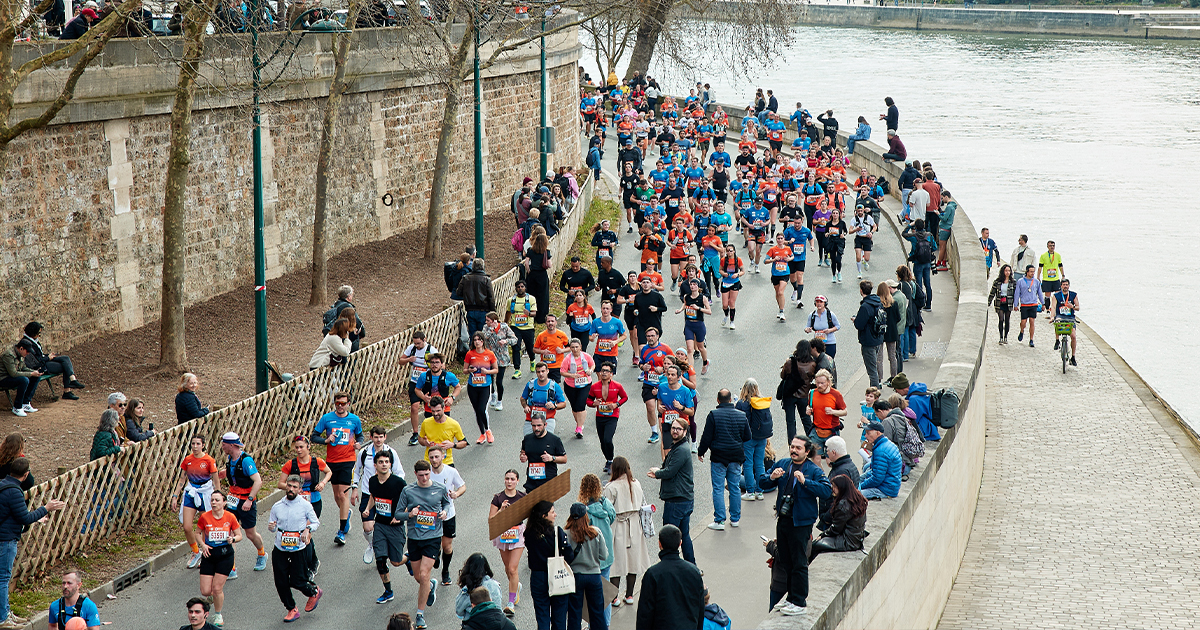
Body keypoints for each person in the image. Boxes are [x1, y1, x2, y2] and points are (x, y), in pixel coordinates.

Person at [758, 436, 832, 617]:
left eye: (798, 448)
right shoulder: (783, 463)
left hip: (801, 522)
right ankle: (790, 598)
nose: (794, 450)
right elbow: (762, 481)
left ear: (807, 452)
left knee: (799, 562)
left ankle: (799, 601)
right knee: (785, 560)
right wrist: (771, 477)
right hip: (784, 519)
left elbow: (826, 491)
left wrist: (806, 482)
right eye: (792, 446)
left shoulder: (812, 470)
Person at [0, 458, 64, 628]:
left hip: (4, 535)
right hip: (6, 540)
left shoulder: (3, 484)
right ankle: (2, 618)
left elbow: (13, 514)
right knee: (3, 579)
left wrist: (37, 517)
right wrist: (46, 508)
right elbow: (24, 517)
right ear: (26, 474)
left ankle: (6, 613)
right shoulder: (14, 491)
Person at [395, 459, 452, 630]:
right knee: (418, 577)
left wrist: (444, 512)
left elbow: (448, 503)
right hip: (414, 537)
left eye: (427, 474)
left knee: (424, 574)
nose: (425, 478)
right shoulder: (408, 490)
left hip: (433, 537)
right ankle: (431, 586)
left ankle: (420, 615)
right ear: (415, 475)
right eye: (421, 475)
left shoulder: (439, 488)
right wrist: (410, 514)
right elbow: (398, 513)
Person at [310, 391, 365, 546]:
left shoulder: (354, 419)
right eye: (337, 403)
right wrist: (326, 440)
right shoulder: (327, 419)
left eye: (343, 403)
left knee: (343, 494)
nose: (340, 406)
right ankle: (346, 513)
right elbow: (314, 436)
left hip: (348, 460)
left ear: (348, 403)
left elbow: (360, 436)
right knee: (336, 496)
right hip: (332, 461)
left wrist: (358, 444)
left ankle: (341, 532)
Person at [268, 475, 322, 623]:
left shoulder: (305, 505)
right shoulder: (277, 506)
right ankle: (291, 609)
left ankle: (314, 591)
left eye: (295, 487)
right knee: (281, 581)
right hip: (280, 548)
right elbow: (272, 525)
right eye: (289, 486)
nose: (291, 489)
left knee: (297, 580)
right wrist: (272, 527)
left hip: (299, 548)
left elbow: (316, 522)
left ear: (299, 489)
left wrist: (307, 529)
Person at [697, 389, 751, 531]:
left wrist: (701, 452)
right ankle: (735, 519)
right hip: (735, 456)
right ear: (730, 400)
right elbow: (747, 436)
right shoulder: (741, 415)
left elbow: (706, 436)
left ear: (718, 399)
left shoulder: (713, 415)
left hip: (718, 457)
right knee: (734, 487)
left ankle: (720, 520)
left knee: (718, 489)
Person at [634, 524, 704, 630]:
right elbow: (700, 609)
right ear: (680, 543)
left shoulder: (653, 574)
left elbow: (645, 613)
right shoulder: (694, 572)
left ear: (659, 544)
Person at [647, 418, 695, 564]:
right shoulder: (679, 447)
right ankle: (691, 567)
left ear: (685, 432)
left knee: (669, 537)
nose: (674, 431)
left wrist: (658, 473)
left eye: (678, 429)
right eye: (673, 428)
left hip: (676, 501)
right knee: (684, 535)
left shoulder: (681, 450)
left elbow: (670, 471)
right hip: (683, 499)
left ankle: (671, 567)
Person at [218, 432, 268, 572]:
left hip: (246, 500)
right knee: (230, 533)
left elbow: (258, 481)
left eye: (224, 444)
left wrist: (250, 500)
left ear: (232, 445)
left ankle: (262, 554)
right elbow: (233, 471)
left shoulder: (246, 461)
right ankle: (231, 567)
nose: (222, 446)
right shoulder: (230, 458)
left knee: (250, 534)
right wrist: (223, 473)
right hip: (232, 499)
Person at [525, 500, 574, 630]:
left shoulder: (529, 533)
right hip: (556, 575)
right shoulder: (557, 532)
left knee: (542, 616)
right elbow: (569, 556)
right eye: (552, 512)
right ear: (544, 515)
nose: (555, 514)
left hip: (538, 577)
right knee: (559, 616)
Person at [195, 490, 241, 627]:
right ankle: (213, 597)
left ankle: (218, 615)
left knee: (217, 588)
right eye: (212, 500)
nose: (214, 503)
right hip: (209, 555)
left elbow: (240, 535)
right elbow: (197, 533)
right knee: (205, 591)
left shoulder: (230, 517)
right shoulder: (205, 517)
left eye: (217, 500)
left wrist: (232, 538)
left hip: (225, 555)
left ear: (224, 502)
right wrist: (202, 545)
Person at [172, 434, 217, 569]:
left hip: (205, 492)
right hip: (191, 492)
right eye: (193, 444)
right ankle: (195, 551)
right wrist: (175, 496)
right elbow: (181, 479)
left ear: (203, 445)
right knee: (187, 526)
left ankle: (206, 553)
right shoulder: (188, 460)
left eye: (198, 444)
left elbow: (215, 480)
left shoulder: (209, 460)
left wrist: (217, 497)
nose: (195, 447)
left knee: (205, 526)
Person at [565, 503, 609, 630]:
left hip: (575, 576)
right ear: (585, 516)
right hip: (594, 576)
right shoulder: (595, 532)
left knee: (574, 613)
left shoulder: (566, 533)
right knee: (597, 613)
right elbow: (604, 555)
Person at [489, 470, 526, 617]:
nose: (509, 481)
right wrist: (502, 511)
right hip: (503, 533)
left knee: (512, 568)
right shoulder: (498, 498)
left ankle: (510, 603)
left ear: (517, 481)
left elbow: (530, 513)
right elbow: (491, 520)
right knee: (507, 568)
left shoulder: (522, 496)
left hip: (518, 533)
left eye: (512, 479)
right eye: (507, 479)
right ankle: (516, 586)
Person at [808, 475, 868, 562]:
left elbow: (836, 528)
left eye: (835, 487)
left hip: (848, 541)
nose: (833, 489)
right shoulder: (857, 498)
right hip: (856, 538)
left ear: (842, 488)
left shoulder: (843, 505)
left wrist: (822, 535)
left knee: (815, 546)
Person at [19, 323, 84, 399]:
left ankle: (73, 379)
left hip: (43, 360)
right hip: (39, 366)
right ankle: (68, 390)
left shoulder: (33, 340)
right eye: (38, 333)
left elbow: (39, 355)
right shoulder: (27, 343)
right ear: (33, 333)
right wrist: (48, 358)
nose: (39, 335)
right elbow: (35, 361)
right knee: (65, 366)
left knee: (65, 358)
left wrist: (48, 356)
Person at [399, 331, 439, 446]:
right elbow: (400, 361)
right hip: (415, 382)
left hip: (428, 383)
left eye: (419, 343)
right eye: (415, 343)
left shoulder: (431, 350)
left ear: (424, 339)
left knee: (430, 408)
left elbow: (441, 365)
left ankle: (432, 431)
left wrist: (430, 365)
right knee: (414, 407)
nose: (417, 346)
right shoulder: (411, 349)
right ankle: (415, 433)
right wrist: (409, 360)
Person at [587, 364, 628, 472]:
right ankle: (608, 459)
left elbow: (625, 397)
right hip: (600, 416)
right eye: (602, 370)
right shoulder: (594, 386)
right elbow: (588, 401)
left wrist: (616, 404)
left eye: (606, 371)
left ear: (611, 374)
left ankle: (610, 461)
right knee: (602, 441)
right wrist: (593, 403)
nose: (604, 372)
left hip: (612, 416)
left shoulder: (617, 386)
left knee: (607, 439)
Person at [736, 380, 772, 502]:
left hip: (748, 439)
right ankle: (759, 491)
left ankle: (750, 492)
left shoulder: (741, 403)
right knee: (759, 464)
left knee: (748, 465)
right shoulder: (762, 402)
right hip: (761, 438)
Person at [777, 340, 816, 442]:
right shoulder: (812, 364)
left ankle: (792, 442)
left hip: (790, 395)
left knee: (790, 421)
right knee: (806, 420)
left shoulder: (790, 362)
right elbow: (812, 378)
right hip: (803, 395)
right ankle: (811, 441)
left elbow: (783, 376)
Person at [463, 333, 499, 444]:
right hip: (473, 386)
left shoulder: (490, 354)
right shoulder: (470, 354)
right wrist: (470, 370)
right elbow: (464, 370)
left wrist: (487, 372)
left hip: (485, 386)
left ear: (483, 341)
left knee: (481, 409)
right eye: (475, 340)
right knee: (476, 411)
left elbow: (496, 369)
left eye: (479, 340)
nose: (477, 342)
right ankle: (482, 434)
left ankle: (488, 430)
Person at [519, 414, 566, 493]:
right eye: (534, 426)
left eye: (539, 425)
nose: (536, 428)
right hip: (532, 481)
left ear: (545, 425)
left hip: (548, 482)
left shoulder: (554, 440)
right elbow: (523, 451)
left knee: (546, 505)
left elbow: (564, 459)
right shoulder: (527, 439)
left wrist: (552, 458)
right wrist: (523, 456)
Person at [806, 369, 847, 455]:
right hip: (816, 432)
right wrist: (808, 409)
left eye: (822, 383)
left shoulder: (836, 394)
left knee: (831, 460)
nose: (819, 385)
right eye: (817, 383)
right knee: (815, 458)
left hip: (831, 432)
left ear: (828, 382)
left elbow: (844, 412)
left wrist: (833, 411)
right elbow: (810, 406)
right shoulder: (813, 393)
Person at [853, 281, 886, 388]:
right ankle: (876, 389)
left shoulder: (865, 306)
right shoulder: (878, 302)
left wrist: (855, 320)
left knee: (871, 371)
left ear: (861, 291)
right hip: (878, 338)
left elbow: (859, 325)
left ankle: (874, 395)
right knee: (875, 366)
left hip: (868, 341)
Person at [859, 421, 902, 500]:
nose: (865, 436)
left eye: (868, 433)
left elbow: (876, 479)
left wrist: (859, 487)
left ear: (878, 433)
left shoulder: (880, 451)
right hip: (890, 485)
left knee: (854, 495)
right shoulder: (886, 443)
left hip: (885, 490)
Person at [0, 341, 42, 417]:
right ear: (21, 348)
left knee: (35, 377)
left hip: (11, 376)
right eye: (27, 351)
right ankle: (17, 407)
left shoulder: (20, 354)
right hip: (3, 378)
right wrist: (31, 373)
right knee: (24, 380)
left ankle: (25, 403)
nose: (28, 353)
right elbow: (13, 373)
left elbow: (23, 368)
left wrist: (35, 372)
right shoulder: (8, 355)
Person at [525, 232, 553, 324]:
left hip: (532, 275)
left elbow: (526, 263)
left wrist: (529, 271)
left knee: (532, 295)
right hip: (542, 275)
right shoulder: (546, 252)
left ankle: (531, 314)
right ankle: (541, 317)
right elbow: (549, 265)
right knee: (542, 296)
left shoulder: (531, 251)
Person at [1052, 278, 1081, 366]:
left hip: (1070, 317)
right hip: (1060, 316)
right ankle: (1057, 341)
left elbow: (1078, 307)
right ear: (1061, 286)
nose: (1065, 286)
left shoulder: (1073, 295)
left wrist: (1072, 306)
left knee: (1073, 336)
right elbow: (1053, 307)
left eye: (1067, 285)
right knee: (1057, 322)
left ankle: (1073, 356)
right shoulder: (1056, 295)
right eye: (1064, 285)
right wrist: (1051, 317)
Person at [534, 315, 570, 383]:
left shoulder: (561, 334)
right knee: (544, 385)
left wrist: (562, 350)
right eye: (548, 321)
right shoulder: (541, 335)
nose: (550, 323)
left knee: (554, 385)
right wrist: (542, 351)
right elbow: (535, 349)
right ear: (546, 323)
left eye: (552, 321)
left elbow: (569, 347)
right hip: (544, 366)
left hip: (557, 365)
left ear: (556, 322)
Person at [1015, 264, 1043, 348]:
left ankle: (1031, 339)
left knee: (1032, 321)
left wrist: (1043, 303)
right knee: (1023, 322)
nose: (1032, 273)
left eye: (1033, 272)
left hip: (1033, 304)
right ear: (1027, 272)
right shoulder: (1020, 281)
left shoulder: (1036, 282)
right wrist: (1015, 304)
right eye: (1031, 272)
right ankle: (1022, 330)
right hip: (1024, 304)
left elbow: (1040, 293)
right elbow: (1017, 293)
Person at [989, 264, 1016, 344]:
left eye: (1009, 271)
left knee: (1007, 320)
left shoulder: (1013, 282)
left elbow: (1016, 293)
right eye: (1006, 271)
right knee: (1001, 319)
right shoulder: (997, 282)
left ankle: (1005, 337)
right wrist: (988, 302)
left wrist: (1016, 304)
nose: (1007, 272)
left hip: (1008, 302)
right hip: (1000, 302)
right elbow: (992, 292)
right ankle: (1001, 336)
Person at [1039, 240, 1065, 314]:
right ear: (1047, 246)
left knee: (1057, 294)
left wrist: (1063, 275)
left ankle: (1057, 309)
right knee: (1047, 295)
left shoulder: (1057, 255)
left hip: (1055, 278)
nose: (1052, 247)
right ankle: (1048, 310)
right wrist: (1038, 276)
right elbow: (1040, 267)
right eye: (1050, 246)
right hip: (1047, 278)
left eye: (1053, 246)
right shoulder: (1043, 256)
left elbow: (1060, 266)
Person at [935, 190, 957, 270]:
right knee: (943, 247)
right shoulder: (952, 206)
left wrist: (938, 214)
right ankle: (943, 262)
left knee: (942, 247)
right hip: (947, 228)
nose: (942, 200)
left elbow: (944, 218)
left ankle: (939, 263)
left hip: (944, 229)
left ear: (946, 197)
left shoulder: (949, 207)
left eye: (942, 198)